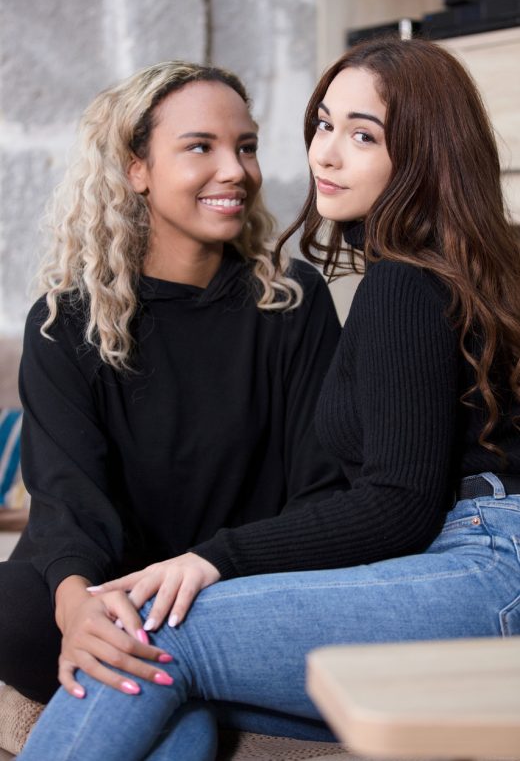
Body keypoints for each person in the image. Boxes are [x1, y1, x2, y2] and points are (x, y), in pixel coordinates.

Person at [18, 35, 520, 761]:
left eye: (363, 135)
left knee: (151, 632)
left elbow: (396, 503)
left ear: (422, 153)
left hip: (488, 562)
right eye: (324, 125)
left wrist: (213, 559)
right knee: (169, 685)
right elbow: (65, 494)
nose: (325, 155)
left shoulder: (400, 282)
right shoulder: (445, 271)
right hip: (475, 556)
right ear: (134, 169)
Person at [0, 60, 344, 716]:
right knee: (14, 612)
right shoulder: (66, 321)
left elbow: (322, 485)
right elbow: (67, 497)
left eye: (246, 146)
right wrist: (76, 610)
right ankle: (175, 676)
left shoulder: (292, 298)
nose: (235, 170)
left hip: (234, 583)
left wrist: (219, 574)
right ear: (138, 169)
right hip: (110, 583)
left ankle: (171, 676)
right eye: (200, 147)